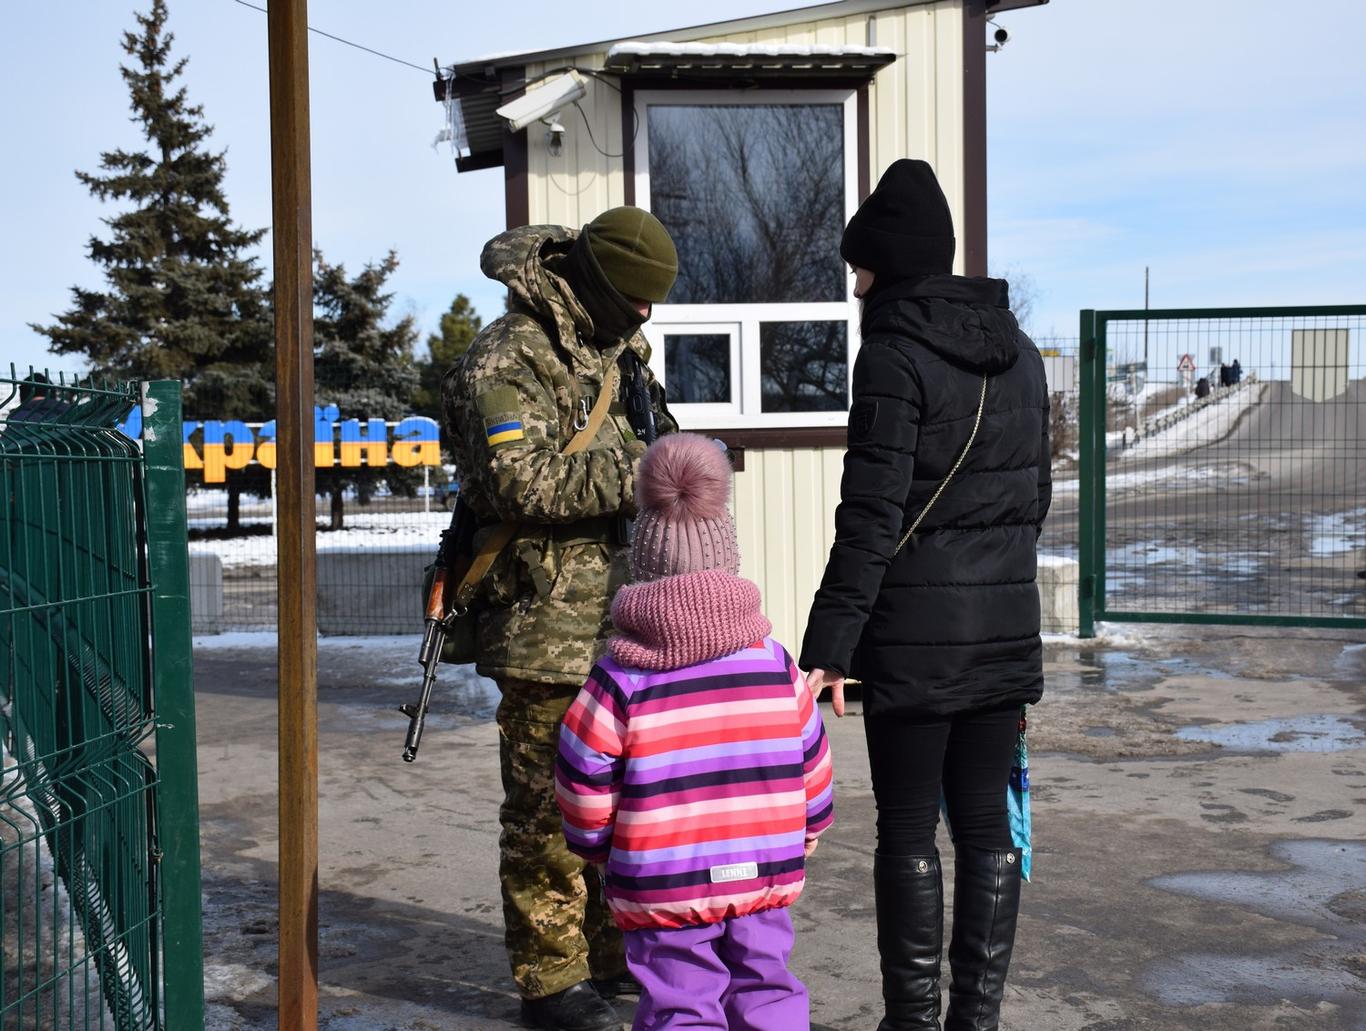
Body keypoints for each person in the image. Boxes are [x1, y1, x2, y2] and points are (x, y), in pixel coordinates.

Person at [800, 159, 1050, 1031]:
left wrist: (830, 643)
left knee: (907, 828)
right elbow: (1034, 503)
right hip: (1003, 630)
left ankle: (910, 1023)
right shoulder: (1020, 355)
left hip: (913, 635)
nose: (858, 284)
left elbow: (870, 513)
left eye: (862, 268)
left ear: (891, 266)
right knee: (986, 825)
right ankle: (972, 1023)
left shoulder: (893, 354)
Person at [442, 207, 679, 1031]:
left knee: (623, 801)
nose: (645, 318)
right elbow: (519, 483)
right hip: (544, 624)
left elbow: (656, 443)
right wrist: (643, 473)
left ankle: (611, 956)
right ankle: (550, 979)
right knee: (546, 811)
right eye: (634, 302)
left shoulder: (620, 351)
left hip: (631, 622)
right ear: (594, 281)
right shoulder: (508, 355)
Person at [556, 433, 834, 1031]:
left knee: (680, 1002)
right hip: (764, 866)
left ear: (645, 562)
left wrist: (598, 847)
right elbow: (812, 755)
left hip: (662, 879)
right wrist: (810, 828)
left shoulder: (620, 677)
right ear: (726, 555)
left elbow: (582, 772)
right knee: (767, 984)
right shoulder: (773, 662)